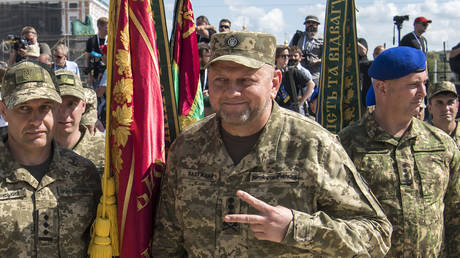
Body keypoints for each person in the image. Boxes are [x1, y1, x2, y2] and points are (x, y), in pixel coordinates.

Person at [152, 31, 392, 257]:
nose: (232, 92)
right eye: (221, 80)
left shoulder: (313, 145)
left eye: (246, 80)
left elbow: (376, 233)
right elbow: (167, 242)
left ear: (274, 83)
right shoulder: (188, 146)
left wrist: (295, 228)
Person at [338, 46, 460, 257]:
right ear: (382, 88)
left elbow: (455, 213)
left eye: (425, 83)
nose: (423, 92)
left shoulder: (441, 144)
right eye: (414, 85)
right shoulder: (345, 147)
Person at [0, 61, 100, 256]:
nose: (36, 120)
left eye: (45, 107)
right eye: (24, 108)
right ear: (3, 110)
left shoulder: (83, 173)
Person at [54, 70, 105, 176]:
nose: (64, 113)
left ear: (83, 106)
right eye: (57, 103)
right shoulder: (33, 151)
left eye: (71, 104)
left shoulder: (106, 150)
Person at [274, 45, 314, 115]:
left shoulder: (292, 71)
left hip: (291, 109)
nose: (287, 58)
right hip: (276, 107)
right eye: (283, 56)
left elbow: (311, 84)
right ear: (276, 57)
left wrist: (301, 103)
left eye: (288, 56)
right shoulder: (271, 72)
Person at [289, 15, 323, 85]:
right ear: (305, 24)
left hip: (314, 75)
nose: (311, 25)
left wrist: (317, 61)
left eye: (313, 23)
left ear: (317, 25)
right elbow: (289, 50)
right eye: (308, 23)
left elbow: (326, 58)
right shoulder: (298, 37)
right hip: (298, 73)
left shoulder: (322, 40)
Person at [427, 81, 460, 146]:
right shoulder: (421, 136)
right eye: (440, 103)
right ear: (430, 108)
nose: (446, 108)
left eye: (450, 102)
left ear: (457, 106)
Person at [85, 17, 108, 88]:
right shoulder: (91, 41)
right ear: (99, 27)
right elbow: (87, 59)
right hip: (96, 75)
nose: (108, 30)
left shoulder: (110, 40)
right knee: (97, 96)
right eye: (106, 27)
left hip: (108, 73)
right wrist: (89, 76)